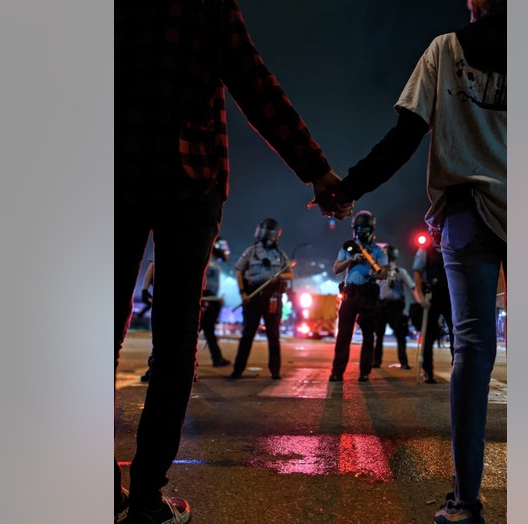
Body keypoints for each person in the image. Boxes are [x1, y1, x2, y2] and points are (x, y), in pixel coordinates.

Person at [115, 0, 354, 521]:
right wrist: (315, 168)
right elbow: (253, 83)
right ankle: (147, 501)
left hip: (115, 173)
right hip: (189, 177)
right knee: (175, 347)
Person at [326, 1, 505, 521]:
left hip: (468, 210)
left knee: (473, 349)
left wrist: (347, 188)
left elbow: (403, 140)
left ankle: (466, 501)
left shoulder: (445, 51)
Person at [329, 210, 389, 382]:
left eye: (363, 229)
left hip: (368, 295)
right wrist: (351, 259)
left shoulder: (378, 251)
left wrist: (373, 271)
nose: (360, 232)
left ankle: (365, 372)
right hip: (350, 294)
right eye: (358, 229)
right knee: (343, 335)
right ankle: (337, 371)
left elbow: (383, 273)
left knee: (368, 335)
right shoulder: (348, 247)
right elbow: (336, 269)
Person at [228, 219, 292, 380]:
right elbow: (239, 271)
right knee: (247, 334)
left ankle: (275, 371)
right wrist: (242, 292)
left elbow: (290, 274)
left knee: (273, 334)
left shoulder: (280, 254)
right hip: (253, 295)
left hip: (272, 296)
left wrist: (277, 276)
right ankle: (238, 370)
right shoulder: (251, 251)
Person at [412, 242, 454, 384]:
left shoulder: (453, 242)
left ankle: (458, 369)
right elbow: (417, 272)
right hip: (433, 294)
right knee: (428, 335)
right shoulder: (426, 249)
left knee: (456, 333)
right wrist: (420, 295)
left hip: (451, 294)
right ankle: (427, 372)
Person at [373, 244, 418, 370]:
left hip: (395, 307)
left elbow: (412, 286)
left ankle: (402, 362)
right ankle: (376, 361)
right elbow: (413, 287)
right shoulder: (380, 272)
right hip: (383, 306)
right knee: (380, 335)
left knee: (399, 335)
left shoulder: (399, 272)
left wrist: (420, 300)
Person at [201, 237, 233, 368]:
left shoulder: (212, 261)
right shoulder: (208, 261)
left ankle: (217, 358)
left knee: (208, 330)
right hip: (206, 300)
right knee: (203, 330)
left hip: (211, 299)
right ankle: (216, 358)